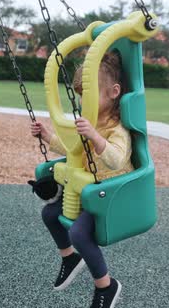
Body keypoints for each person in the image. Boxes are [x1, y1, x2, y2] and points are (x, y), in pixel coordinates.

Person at [31, 52, 134, 308]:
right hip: (86, 189)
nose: (81, 101)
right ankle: (69, 259)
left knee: (78, 232)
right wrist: (47, 137)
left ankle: (106, 286)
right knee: (50, 214)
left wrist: (97, 138)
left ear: (113, 92)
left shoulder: (116, 130)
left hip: (109, 195)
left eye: (87, 95)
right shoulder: (90, 123)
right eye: (80, 96)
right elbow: (73, 150)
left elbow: (116, 160)